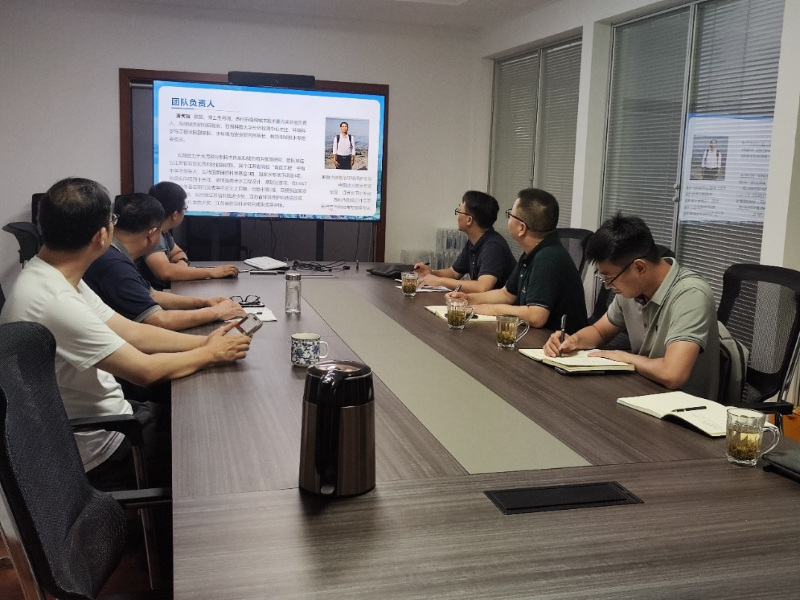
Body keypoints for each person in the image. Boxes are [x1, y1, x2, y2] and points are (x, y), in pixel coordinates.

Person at [0, 178, 250, 490]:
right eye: (112, 220)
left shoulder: (52, 275)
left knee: (192, 415)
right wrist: (211, 354)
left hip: (114, 420)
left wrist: (205, 342)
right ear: (101, 235)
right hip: (104, 446)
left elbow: (133, 332)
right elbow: (145, 371)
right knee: (214, 453)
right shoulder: (54, 300)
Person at [543, 213, 719, 400]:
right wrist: (573, 341)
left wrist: (625, 357)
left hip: (684, 405)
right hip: (642, 390)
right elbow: (600, 332)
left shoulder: (690, 294)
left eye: (610, 279)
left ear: (639, 267)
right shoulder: (633, 289)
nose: (607, 286)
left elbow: (673, 374)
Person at [84, 193, 246, 330]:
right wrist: (216, 312)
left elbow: (152, 295)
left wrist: (205, 302)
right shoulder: (114, 265)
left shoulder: (114, 254)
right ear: (152, 234)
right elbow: (159, 320)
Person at [447, 188, 587, 333]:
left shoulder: (547, 258)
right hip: (537, 336)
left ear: (521, 228)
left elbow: (536, 316)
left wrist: (491, 309)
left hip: (558, 341)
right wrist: (468, 299)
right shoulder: (533, 252)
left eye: (510, 215)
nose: (508, 219)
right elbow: (506, 294)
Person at [138, 181, 239, 290]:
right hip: (146, 294)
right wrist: (212, 272)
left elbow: (178, 253)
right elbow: (165, 272)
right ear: (175, 215)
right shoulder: (152, 233)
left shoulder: (163, 232)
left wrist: (181, 265)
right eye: (184, 209)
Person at [413, 191, 516, 292]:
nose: (457, 216)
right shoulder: (473, 242)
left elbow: (482, 287)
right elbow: (454, 273)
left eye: (459, 211)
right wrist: (431, 273)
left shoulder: (493, 246)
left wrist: (440, 281)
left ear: (469, 220)